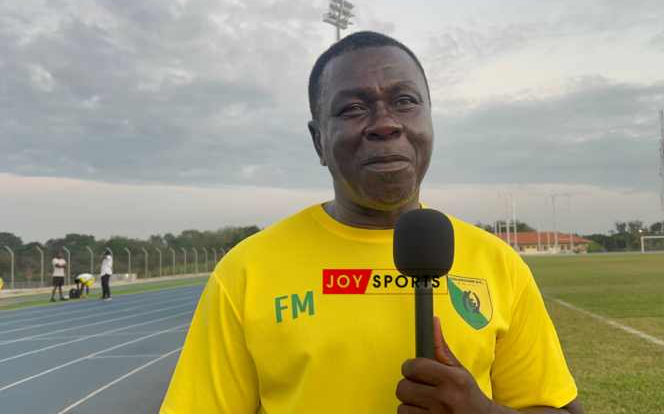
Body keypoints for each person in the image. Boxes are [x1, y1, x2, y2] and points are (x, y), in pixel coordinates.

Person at [161, 31, 583, 414]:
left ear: (429, 120)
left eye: (405, 102)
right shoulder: (246, 271)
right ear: (318, 141)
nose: (385, 123)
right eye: (353, 108)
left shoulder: (498, 263)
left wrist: (483, 413)